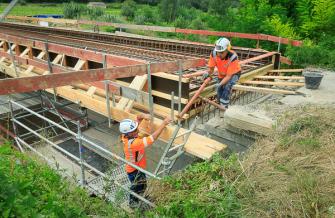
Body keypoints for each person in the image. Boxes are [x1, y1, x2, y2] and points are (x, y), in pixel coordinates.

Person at [119, 114, 171, 208]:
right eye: (135, 130)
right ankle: (133, 203)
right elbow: (152, 138)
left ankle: (141, 197)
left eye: (135, 128)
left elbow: (138, 118)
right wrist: (164, 123)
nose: (137, 130)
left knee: (143, 185)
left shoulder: (125, 135)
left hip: (137, 168)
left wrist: (143, 116)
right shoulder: (134, 144)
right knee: (136, 187)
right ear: (129, 133)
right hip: (134, 171)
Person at [203, 37, 242, 109]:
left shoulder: (233, 57)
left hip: (234, 74)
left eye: (222, 52)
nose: (219, 54)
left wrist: (220, 84)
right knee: (219, 91)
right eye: (218, 52)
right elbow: (211, 69)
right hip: (222, 73)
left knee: (227, 86)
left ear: (227, 50)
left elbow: (229, 76)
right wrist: (208, 73)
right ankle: (220, 104)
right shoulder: (214, 54)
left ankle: (224, 108)